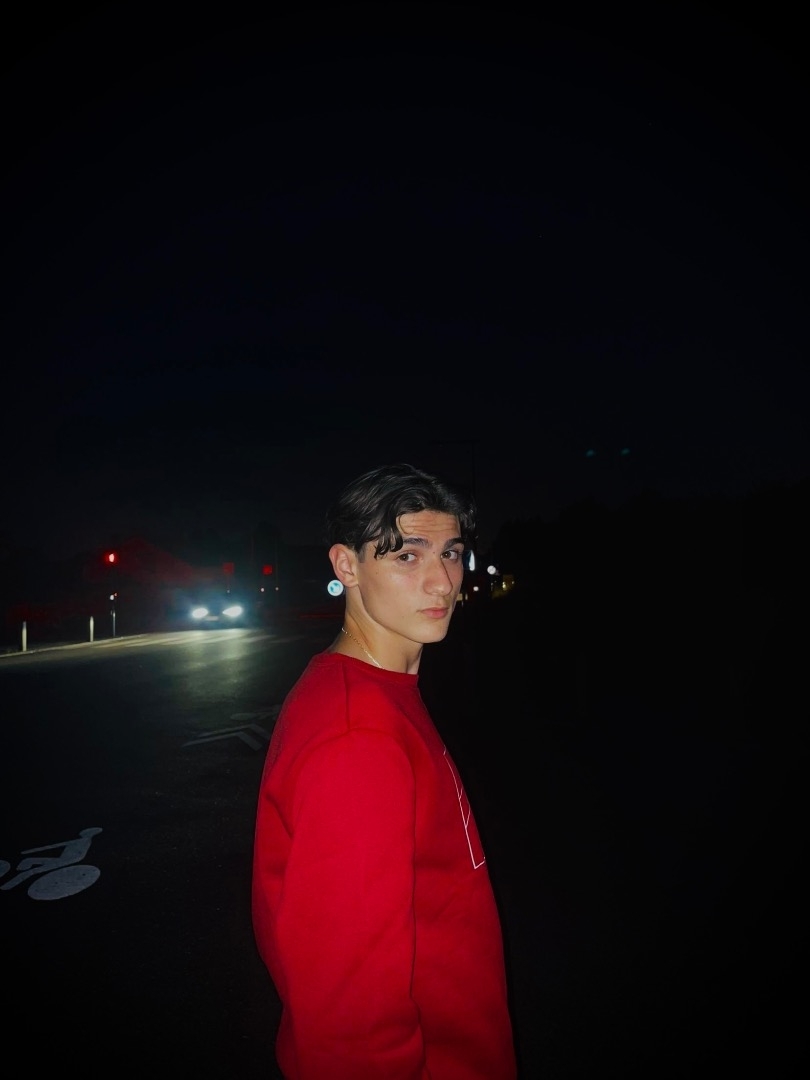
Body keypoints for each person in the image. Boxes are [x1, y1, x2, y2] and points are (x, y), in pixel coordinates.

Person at [251, 463, 517, 1079]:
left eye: (451, 553)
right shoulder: (358, 738)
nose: (442, 581)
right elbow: (348, 1016)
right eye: (406, 555)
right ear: (347, 566)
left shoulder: (375, 693)